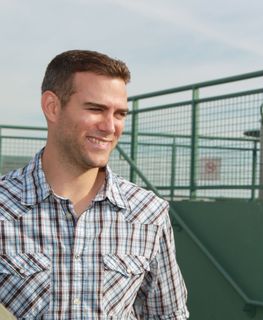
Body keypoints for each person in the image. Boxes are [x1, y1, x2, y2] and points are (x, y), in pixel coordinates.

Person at [0, 50, 189, 319]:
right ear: (52, 106)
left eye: (120, 114)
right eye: (96, 109)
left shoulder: (149, 213)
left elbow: (169, 315)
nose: (110, 126)